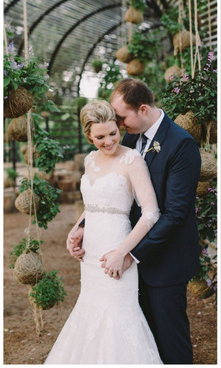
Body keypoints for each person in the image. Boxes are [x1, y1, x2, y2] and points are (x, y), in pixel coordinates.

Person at [66, 79, 201, 364]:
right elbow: (111, 196)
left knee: (170, 339)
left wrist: (129, 254)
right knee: (138, 338)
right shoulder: (126, 138)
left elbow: (175, 213)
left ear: (142, 109)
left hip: (165, 259)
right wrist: (81, 227)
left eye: (121, 117)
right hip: (122, 257)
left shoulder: (181, 144)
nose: (116, 125)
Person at [46, 100, 162, 363]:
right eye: (100, 137)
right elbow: (93, 206)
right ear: (88, 135)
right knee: (90, 311)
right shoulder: (89, 160)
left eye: (113, 133)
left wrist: (122, 253)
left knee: (119, 316)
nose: (109, 141)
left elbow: (151, 213)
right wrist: (76, 231)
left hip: (117, 251)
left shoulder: (132, 160)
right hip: (90, 255)